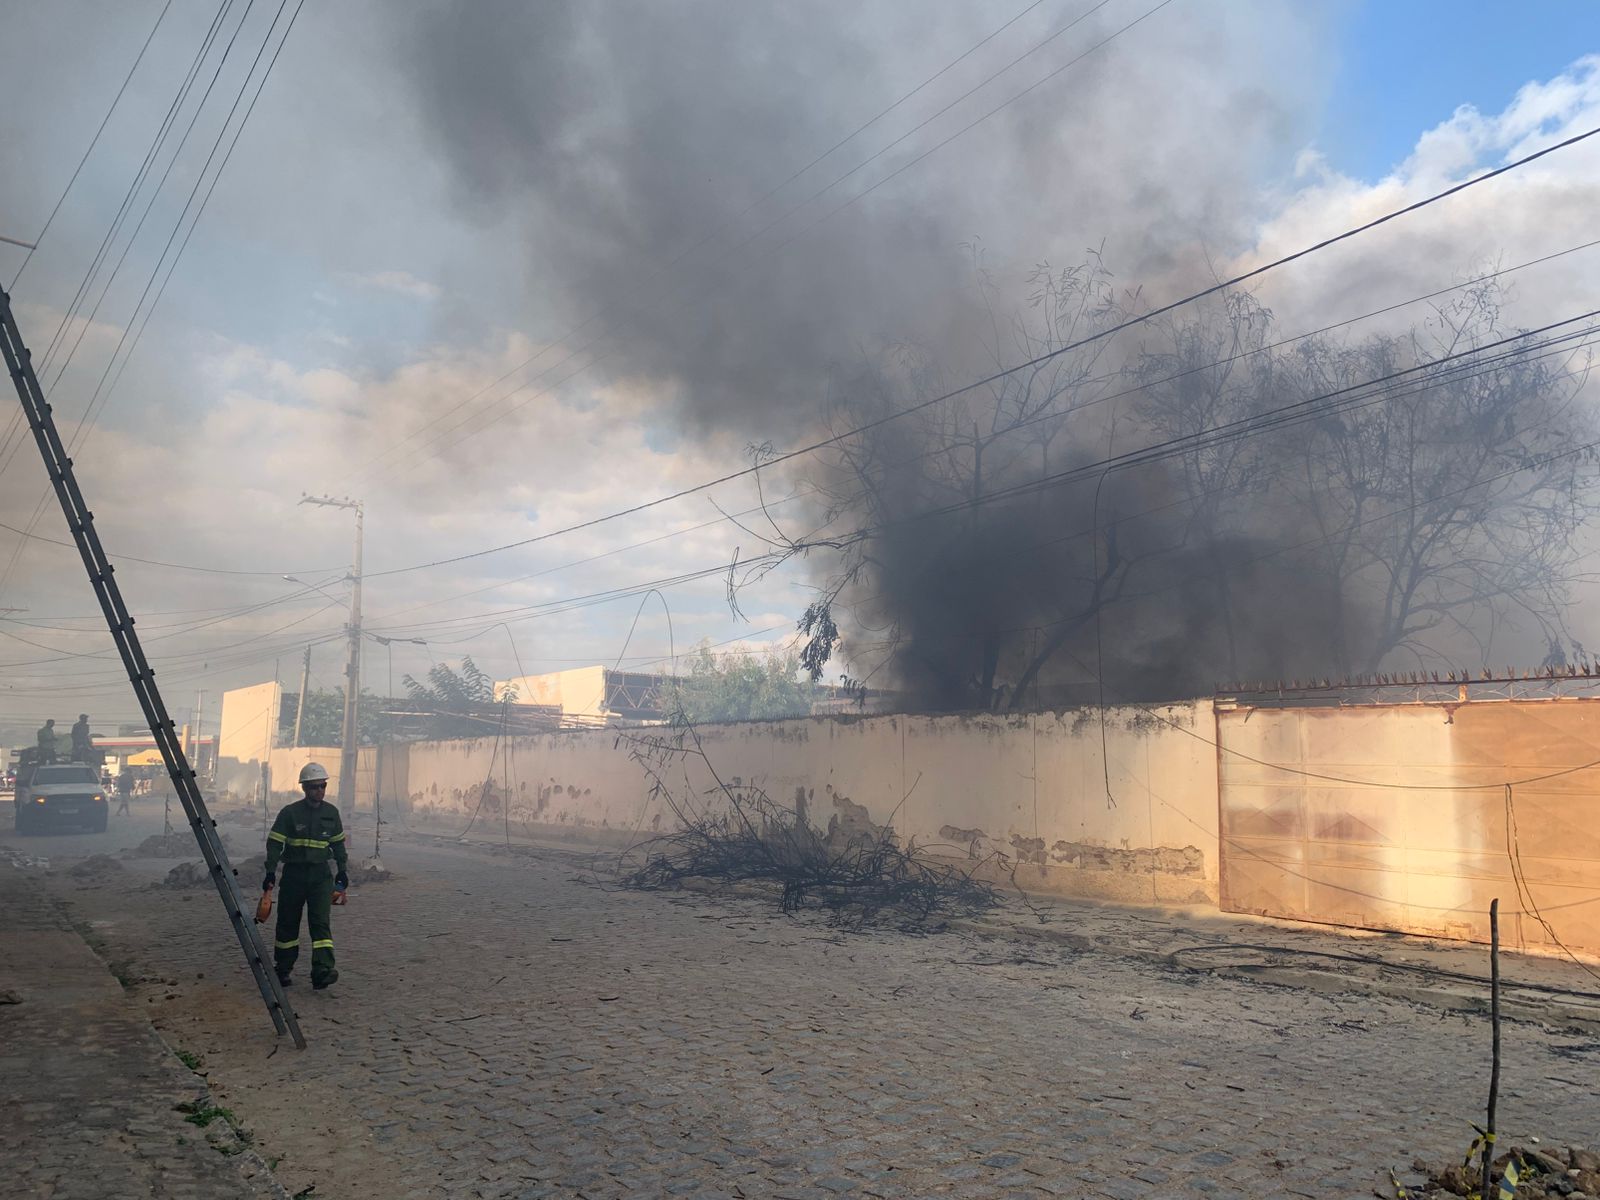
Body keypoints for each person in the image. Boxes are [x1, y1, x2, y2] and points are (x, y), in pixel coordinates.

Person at [262, 762, 348, 991]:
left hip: (321, 877)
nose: (320, 790)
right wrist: (270, 871)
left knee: (320, 923)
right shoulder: (290, 813)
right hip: (294, 876)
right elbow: (275, 843)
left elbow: (339, 845)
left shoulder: (331, 813)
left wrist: (342, 871)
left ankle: (322, 971)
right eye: (314, 786)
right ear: (304, 788)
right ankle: (283, 968)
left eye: (323, 786)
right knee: (287, 923)